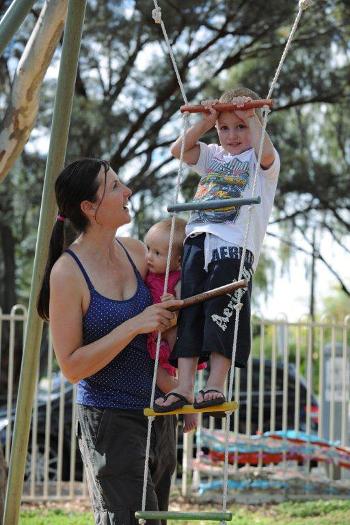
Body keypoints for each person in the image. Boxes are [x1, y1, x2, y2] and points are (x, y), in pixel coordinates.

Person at [37, 158, 183, 525]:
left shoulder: (138, 252)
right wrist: (133, 324)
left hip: (159, 415)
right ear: (90, 208)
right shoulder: (68, 273)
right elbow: (71, 366)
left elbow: (166, 309)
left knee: (156, 521)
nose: (128, 191)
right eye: (115, 187)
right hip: (110, 419)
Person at [153, 87, 280, 413]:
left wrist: (250, 115)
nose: (233, 135)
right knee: (190, 309)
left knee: (223, 308)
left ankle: (215, 383)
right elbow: (179, 149)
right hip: (198, 240)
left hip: (234, 245)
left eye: (240, 127)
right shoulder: (213, 155)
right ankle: (184, 386)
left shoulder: (261, 159)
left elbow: (265, 152)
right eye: (225, 128)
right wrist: (207, 119)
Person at [144, 217, 204, 432]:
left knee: (168, 376)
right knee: (158, 377)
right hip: (154, 335)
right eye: (148, 248)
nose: (149, 256)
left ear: (178, 260)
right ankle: (184, 397)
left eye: (157, 253)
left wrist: (174, 304)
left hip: (169, 339)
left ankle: (187, 403)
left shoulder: (178, 279)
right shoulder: (147, 272)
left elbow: (183, 308)